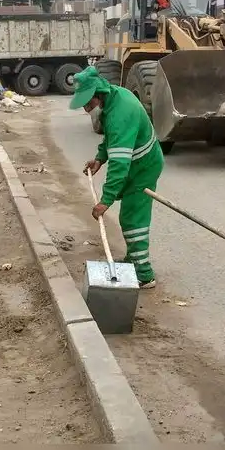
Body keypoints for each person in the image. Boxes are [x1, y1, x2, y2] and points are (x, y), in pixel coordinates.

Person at [71, 66, 164, 289]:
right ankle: (134, 261)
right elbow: (111, 140)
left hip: (143, 167)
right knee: (131, 216)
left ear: (99, 94)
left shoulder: (121, 114)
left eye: (88, 104)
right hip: (136, 162)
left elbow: (120, 163)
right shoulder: (112, 101)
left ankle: (144, 274)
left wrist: (106, 200)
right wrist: (99, 158)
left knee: (133, 219)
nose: (86, 109)